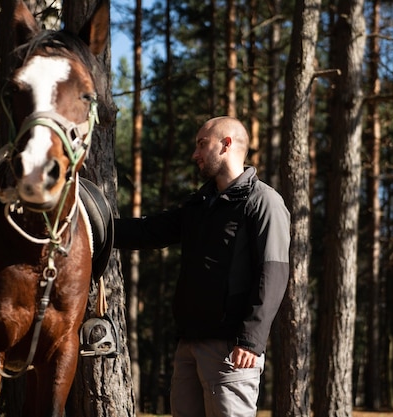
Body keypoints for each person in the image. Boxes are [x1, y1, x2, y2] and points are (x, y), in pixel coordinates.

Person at [113, 116, 290, 417]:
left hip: (232, 350)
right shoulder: (199, 204)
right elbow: (148, 231)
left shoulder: (262, 202)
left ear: (226, 144)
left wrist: (251, 339)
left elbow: (273, 273)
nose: (195, 154)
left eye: (201, 144)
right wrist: (87, 224)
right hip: (189, 346)